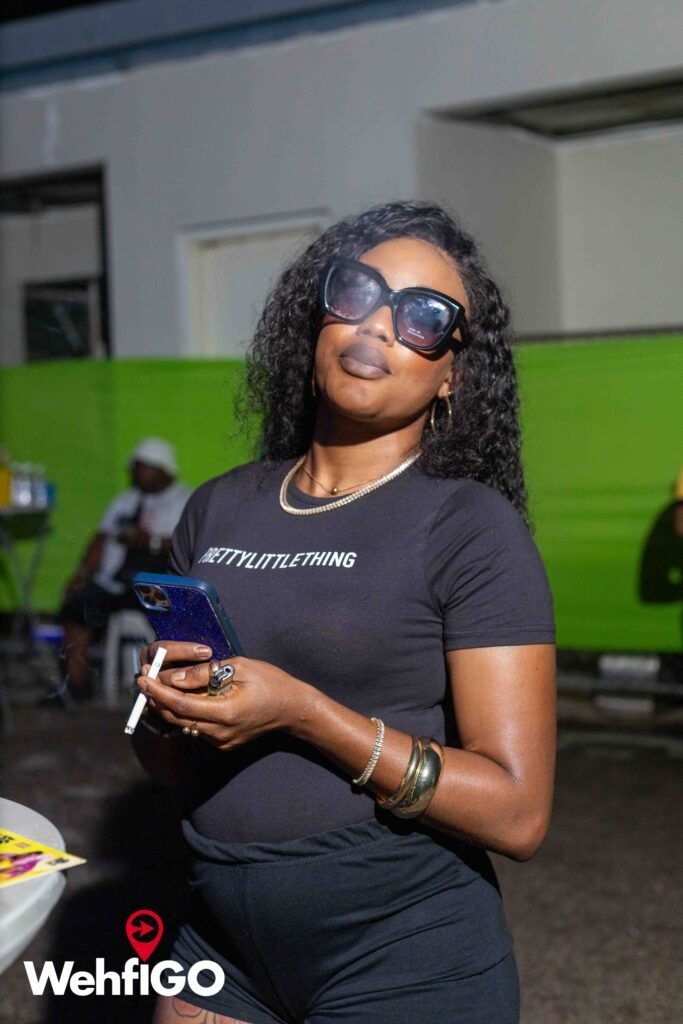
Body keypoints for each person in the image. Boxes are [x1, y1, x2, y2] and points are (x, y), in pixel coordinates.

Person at [134, 201, 557, 1024]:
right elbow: (167, 768)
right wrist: (162, 708)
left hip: (405, 955)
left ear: (453, 374)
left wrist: (304, 714)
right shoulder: (217, 508)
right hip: (218, 943)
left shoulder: (470, 527)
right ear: (319, 319)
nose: (378, 325)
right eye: (357, 291)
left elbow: (518, 814)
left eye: (423, 317)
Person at [60, 437, 190, 698]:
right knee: (77, 606)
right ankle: (76, 687)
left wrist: (149, 541)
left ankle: (158, 688)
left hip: (153, 587)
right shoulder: (126, 500)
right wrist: (81, 574)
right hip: (113, 584)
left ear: (163, 470)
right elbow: (101, 538)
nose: (136, 473)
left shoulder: (184, 501)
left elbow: (186, 543)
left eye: (143, 467)